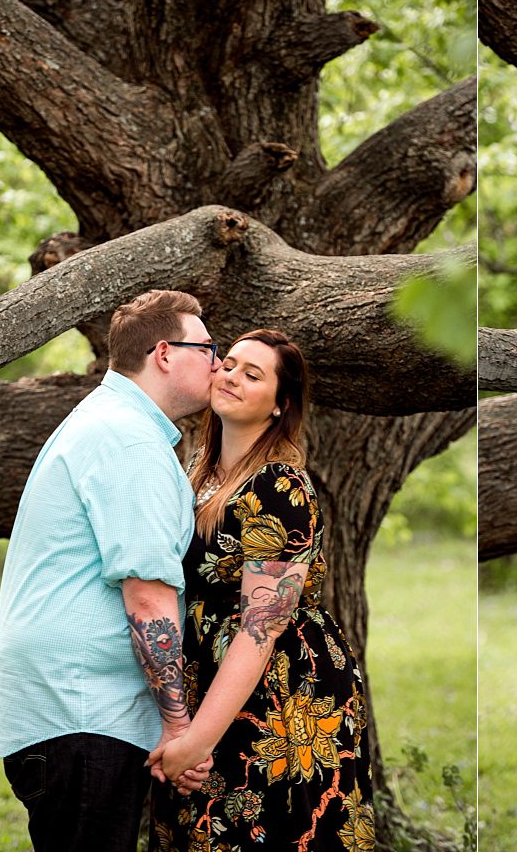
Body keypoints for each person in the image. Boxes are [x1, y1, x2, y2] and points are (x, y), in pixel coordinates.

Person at [0, 290, 220, 852]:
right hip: (84, 711)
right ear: (164, 353)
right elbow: (147, 599)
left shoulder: (108, 421)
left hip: (70, 709)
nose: (219, 363)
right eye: (209, 348)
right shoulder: (129, 440)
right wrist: (180, 727)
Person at [148, 328, 375, 853]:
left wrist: (194, 742)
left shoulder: (279, 486)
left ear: (280, 405)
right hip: (207, 681)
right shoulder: (197, 470)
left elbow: (260, 631)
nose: (231, 377)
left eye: (253, 375)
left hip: (281, 691)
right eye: (227, 364)